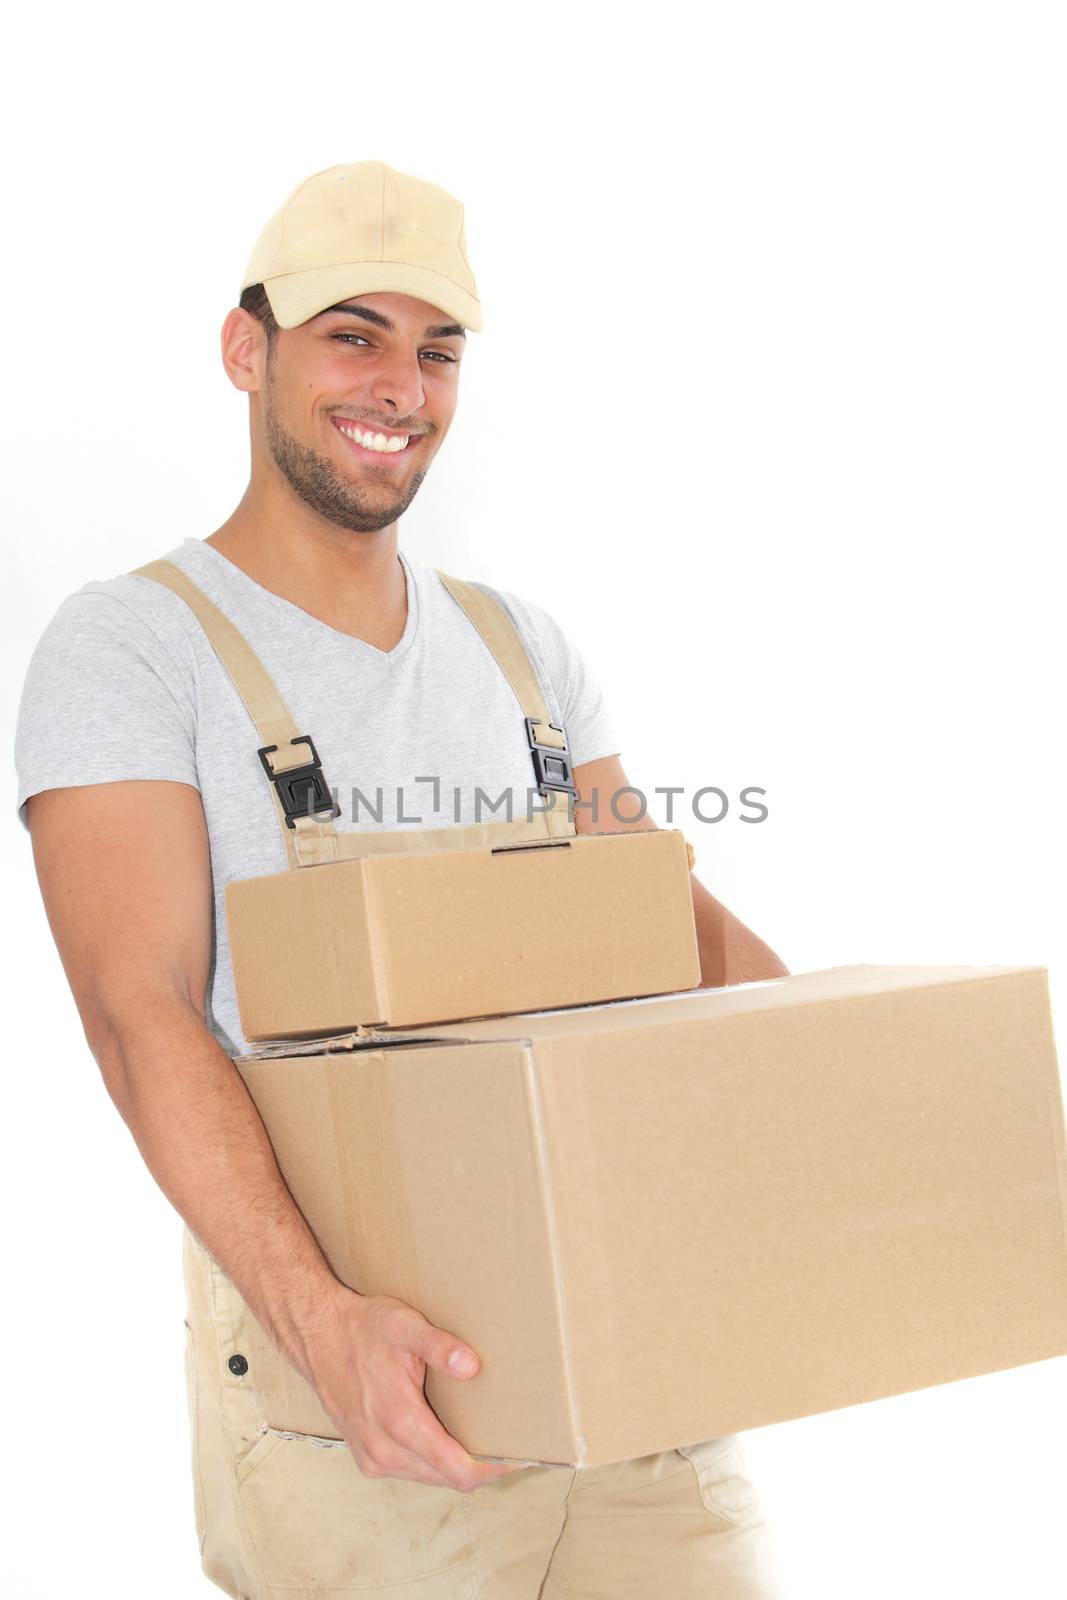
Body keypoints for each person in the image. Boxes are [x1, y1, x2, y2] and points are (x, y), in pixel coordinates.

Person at [14, 159, 789, 1598]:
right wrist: (322, 1327)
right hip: (360, 1405)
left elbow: (669, 931)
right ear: (249, 350)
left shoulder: (521, 651)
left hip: (633, 1358)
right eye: (353, 333)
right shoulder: (132, 647)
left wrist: (836, 1086)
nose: (403, 386)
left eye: (438, 350)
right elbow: (142, 1020)